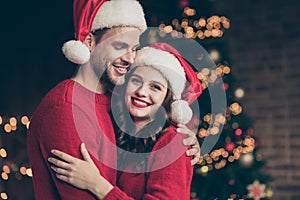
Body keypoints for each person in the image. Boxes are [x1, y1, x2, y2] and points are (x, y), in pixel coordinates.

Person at [27, 0, 201, 199]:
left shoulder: (117, 102)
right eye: (119, 46)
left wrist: (179, 138)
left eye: (134, 48)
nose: (129, 58)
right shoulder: (65, 109)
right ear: (89, 42)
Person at [48, 42, 202, 199]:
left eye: (155, 87)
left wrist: (97, 185)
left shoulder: (174, 142)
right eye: (136, 80)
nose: (141, 91)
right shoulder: (118, 130)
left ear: (168, 99)